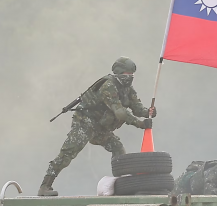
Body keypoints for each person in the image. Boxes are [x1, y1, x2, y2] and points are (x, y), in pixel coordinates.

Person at [38, 57, 156, 196]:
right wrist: (140, 124)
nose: (130, 78)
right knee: (68, 153)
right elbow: (120, 113)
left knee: (118, 148)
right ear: (118, 73)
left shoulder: (128, 90)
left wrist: (148, 112)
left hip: (101, 128)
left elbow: (137, 107)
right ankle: (45, 186)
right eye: (127, 74)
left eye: (132, 75)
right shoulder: (108, 86)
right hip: (85, 123)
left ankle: (121, 185)